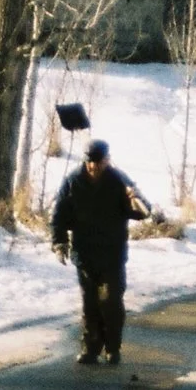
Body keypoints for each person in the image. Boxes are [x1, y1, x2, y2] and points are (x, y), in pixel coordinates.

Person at [49, 139, 151, 364]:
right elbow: (59, 216)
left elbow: (144, 212)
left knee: (111, 301)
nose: (94, 166)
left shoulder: (119, 180)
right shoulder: (73, 181)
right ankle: (90, 349)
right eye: (90, 162)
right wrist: (59, 243)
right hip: (84, 253)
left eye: (98, 161)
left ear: (107, 160)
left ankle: (113, 348)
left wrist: (135, 200)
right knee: (90, 303)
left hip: (112, 253)